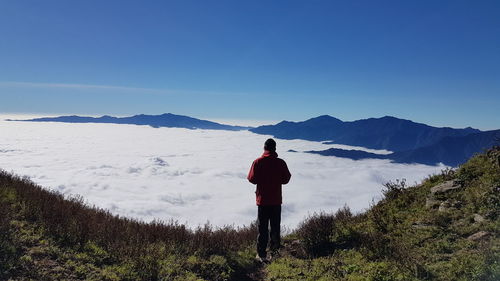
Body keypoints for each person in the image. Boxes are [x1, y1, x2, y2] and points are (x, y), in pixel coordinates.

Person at [247, 138, 291, 263]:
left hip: (263, 201)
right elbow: (286, 179)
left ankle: (261, 254)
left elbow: (251, 178)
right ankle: (275, 252)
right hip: (276, 200)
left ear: (264, 148)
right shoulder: (281, 163)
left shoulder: (257, 162)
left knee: (263, 228)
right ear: (275, 149)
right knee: (275, 227)